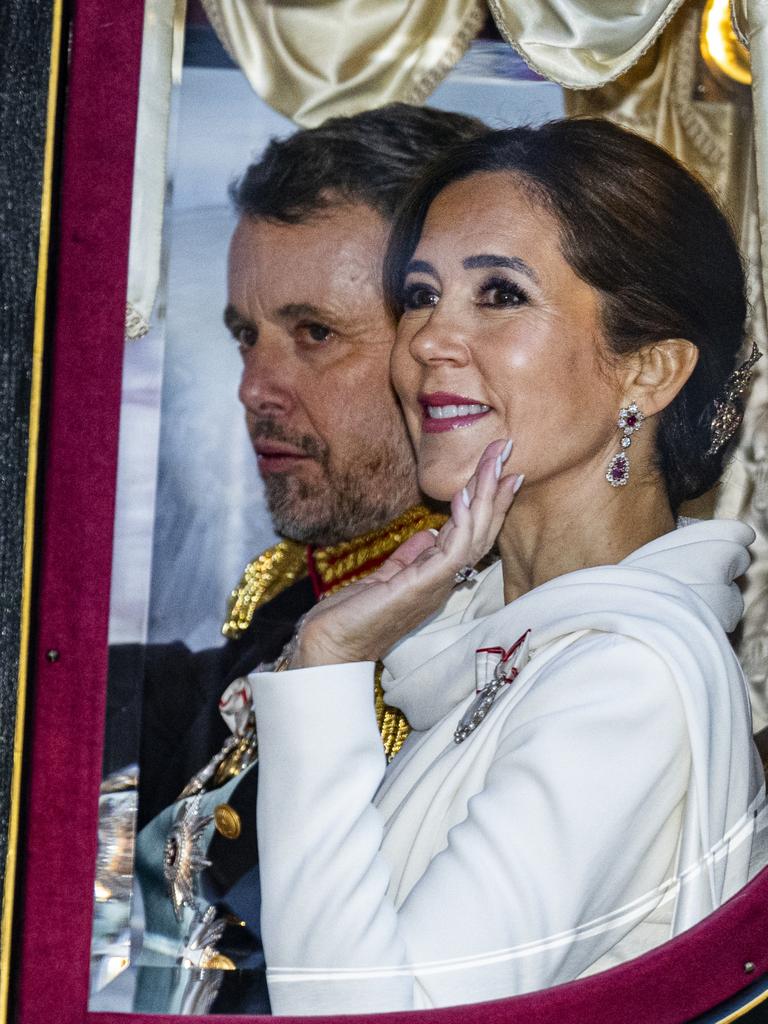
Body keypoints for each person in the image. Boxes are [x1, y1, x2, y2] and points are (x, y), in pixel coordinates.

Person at [249, 118, 766, 1014]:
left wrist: (330, 663)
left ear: (647, 370)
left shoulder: (625, 681)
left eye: (498, 295)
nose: (425, 342)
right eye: (419, 294)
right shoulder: (497, 641)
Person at [116, 103, 485, 1014]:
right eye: (247, 334)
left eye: (313, 333)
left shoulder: (494, 649)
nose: (254, 389)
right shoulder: (294, 600)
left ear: (447, 355)